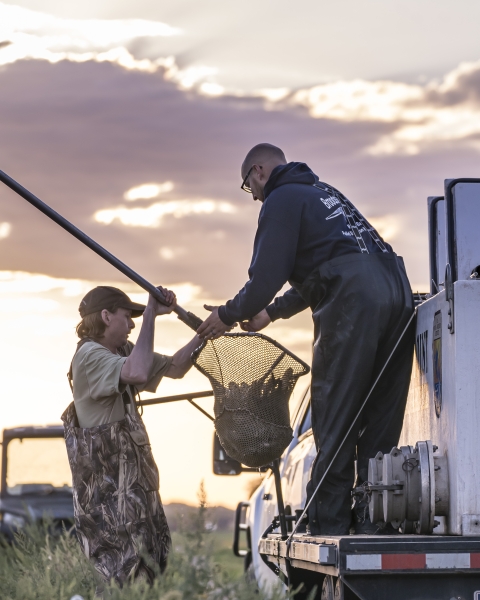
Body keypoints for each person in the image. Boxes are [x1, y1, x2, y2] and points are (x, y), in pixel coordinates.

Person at [197, 143, 414, 536]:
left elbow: (265, 278)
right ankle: (374, 521)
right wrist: (271, 312)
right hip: (398, 294)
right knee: (381, 417)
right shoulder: (327, 194)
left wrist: (227, 315)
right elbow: (337, 263)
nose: (255, 196)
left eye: (250, 187)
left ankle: (329, 524)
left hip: (354, 302)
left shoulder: (281, 199)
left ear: (258, 171)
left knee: (335, 412)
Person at [61, 285, 201, 585]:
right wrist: (151, 311)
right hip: (111, 509)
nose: (133, 324)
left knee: (152, 575)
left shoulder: (122, 353)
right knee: (120, 582)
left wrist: (206, 334)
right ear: (106, 316)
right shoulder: (89, 356)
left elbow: (175, 368)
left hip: (136, 499)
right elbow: (137, 373)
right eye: (128, 316)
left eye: (137, 317)